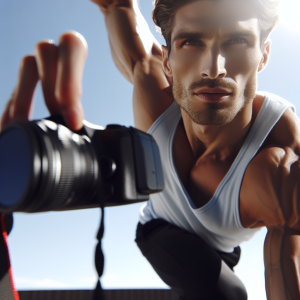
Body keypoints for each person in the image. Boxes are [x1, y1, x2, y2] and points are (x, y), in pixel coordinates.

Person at [1, 0, 300, 299]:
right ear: (167, 61)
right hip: (161, 230)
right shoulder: (156, 103)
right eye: (192, 41)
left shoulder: (278, 156)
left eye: (237, 41)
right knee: (226, 292)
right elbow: (123, 17)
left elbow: (284, 261)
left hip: (223, 248)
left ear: (263, 55)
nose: (214, 69)